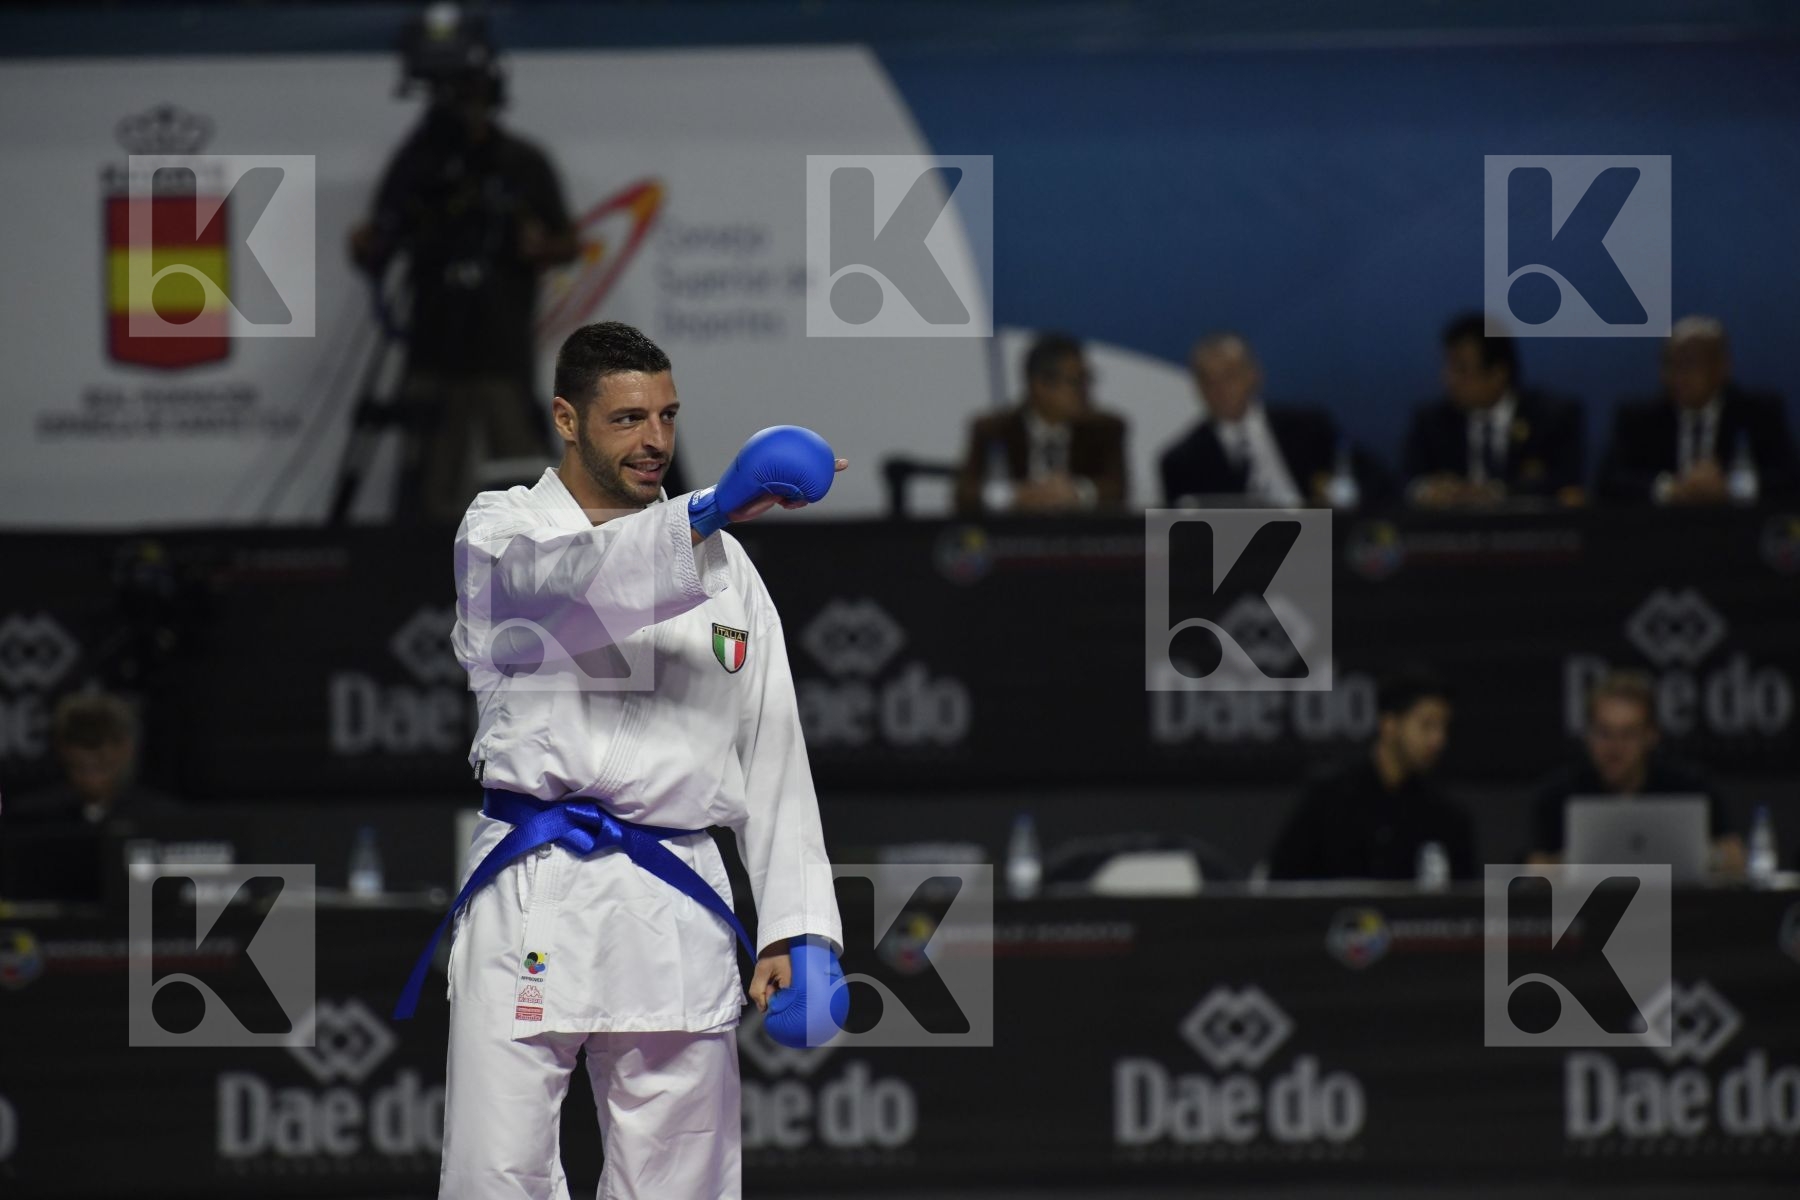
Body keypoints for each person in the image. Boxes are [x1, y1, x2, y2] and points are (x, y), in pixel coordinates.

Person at [412, 321, 846, 1200]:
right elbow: (561, 599)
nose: (655, 440)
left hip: (674, 895)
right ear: (567, 419)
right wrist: (706, 513)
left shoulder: (729, 571)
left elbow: (772, 752)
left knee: (682, 1178)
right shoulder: (501, 530)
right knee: (495, 1177)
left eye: (669, 416)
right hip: (535, 889)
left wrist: (798, 929)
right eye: (628, 419)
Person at [349, 15, 578, 525]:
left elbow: (568, 243)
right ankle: (426, 580)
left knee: (525, 480)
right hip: (431, 345)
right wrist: (370, 244)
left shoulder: (521, 162)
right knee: (430, 484)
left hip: (500, 346)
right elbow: (380, 239)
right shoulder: (418, 162)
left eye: (469, 93)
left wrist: (537, 244)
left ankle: (543, 579)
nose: (461, 107)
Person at [1267, 668, 1475, 882]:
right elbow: (1281, 882)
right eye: (1427, 726)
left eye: (1443, 728)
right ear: (1389, 725)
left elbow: (1464, 904)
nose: (1438, 740)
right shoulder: (1329, 800)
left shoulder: (1446, 817)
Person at [1527, 670, 1744, 873]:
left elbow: (1735, 858)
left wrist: (1701, 857)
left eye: (1628, 734)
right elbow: (1535, 868)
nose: (1615, 747)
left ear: (1651, 736)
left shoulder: (1690, 787)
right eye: (1604, 733)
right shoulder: (1558, 794)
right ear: (1588, 735)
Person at [1160, 332, 1388, 506]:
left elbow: (1373, 476)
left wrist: (1342, 495)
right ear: (1198, 387)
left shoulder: (1308, 428)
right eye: (1208, 380)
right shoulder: (1181, 461)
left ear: (1253, 375)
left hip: (1320, 546)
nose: (1219, 389)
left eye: (1229, 376)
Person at [1596, 315, 1799, 504]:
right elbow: (1608, 483)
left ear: (1722, 367)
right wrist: (1670, 488)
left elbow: (1790, 478)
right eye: (1670, 364)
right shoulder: (1640, 419)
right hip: (1662, 533)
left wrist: (1732, 487)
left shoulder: (1758, 413)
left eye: (1690, 364)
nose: (1678, 376)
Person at [1403, 314, 1584, 508]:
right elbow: (1408, 481)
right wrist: (1428, 490)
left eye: (1461, 370)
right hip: (1451, 535)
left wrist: (1495, 492)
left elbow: (1565, 483)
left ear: (1498, 374)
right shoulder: (1432, 421)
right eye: (1448, 367)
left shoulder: (1551, 417)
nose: (1448, 379)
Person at [953, 332, 1128, 513]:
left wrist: (1077, 491)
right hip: (1013, 537)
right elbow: (965, 493)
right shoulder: (993, 429)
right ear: (1040, 385)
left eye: (1087, 379)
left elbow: (1117, 488)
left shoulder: (1105, 429)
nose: (1085, 390)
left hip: (1081, 537)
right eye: (1075, 382)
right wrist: (1015, 494)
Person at [2, 692, 180, 828]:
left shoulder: (167, 820)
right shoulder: (30, 819)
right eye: (79, 739)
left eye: (101, 741)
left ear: (127, 748)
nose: (90, 754)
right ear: (62, 749)